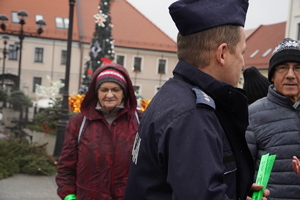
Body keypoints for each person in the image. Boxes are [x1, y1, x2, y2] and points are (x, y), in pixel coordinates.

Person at [124, 0, 269, 199]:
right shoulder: (193, 115)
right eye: (242, 52)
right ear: (223, 53)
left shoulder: (174, 95)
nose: (244, 62)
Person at [56, 63, 143, 200]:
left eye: (115, 89)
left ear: (124, 93)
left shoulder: (140, 121)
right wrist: (68, 195)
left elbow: (150, 166)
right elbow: (66, 166)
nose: (109, 95)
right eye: (104, 90)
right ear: (96, 92)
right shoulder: (78, 122)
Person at [246, 38, 300, 200]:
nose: (290, 75)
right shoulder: (253, 114)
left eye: (298, 68)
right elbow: (240, 171)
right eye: (282, 68)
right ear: (271, 76)